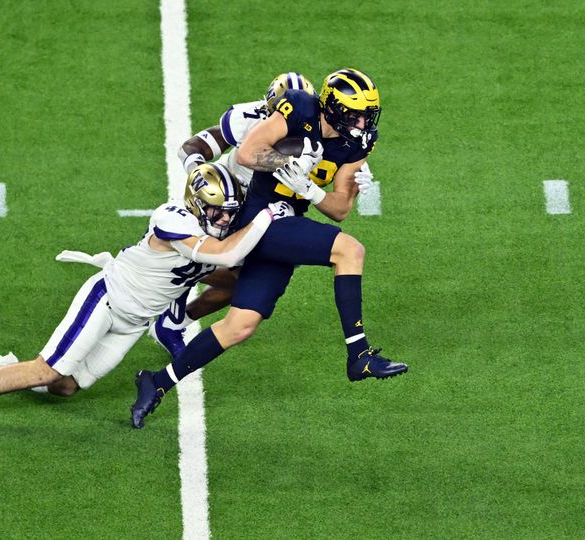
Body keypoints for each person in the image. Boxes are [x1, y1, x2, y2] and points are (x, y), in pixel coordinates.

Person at [0, 163, 294, 431]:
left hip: (134, 323)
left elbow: (228, 270)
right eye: (216, 211)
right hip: (108, 299)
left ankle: (4, 368)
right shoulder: (173, 218)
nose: (225, 219)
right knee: (49, 370)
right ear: (196, 204)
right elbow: (225, 253)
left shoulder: (212, 230)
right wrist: (267, 218)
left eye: (228, 212)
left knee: (63, 387)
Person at [131, 68, 408, 429]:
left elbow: (340, 209)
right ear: (333, 108)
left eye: (367, 114)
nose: (362, 122)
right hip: (258, 213)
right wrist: (284, 164)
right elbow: (247, 153)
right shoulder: (298, 108)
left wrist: (312, 191)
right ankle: (359, 354)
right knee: (349, 251)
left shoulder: (358, 143)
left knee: (240, 325)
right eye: (355, 113)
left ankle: (157, 381)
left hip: (287, 217)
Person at [150, 72, 374, 358]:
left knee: (238, 283)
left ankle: (174, 322)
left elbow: (330, 175)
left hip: (262, 209)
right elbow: (194, 148)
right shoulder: (252, 120)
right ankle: (152, 287)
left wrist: (354, 174)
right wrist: (203, 179)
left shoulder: (320, 131)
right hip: (224, 204)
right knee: (194, 262)